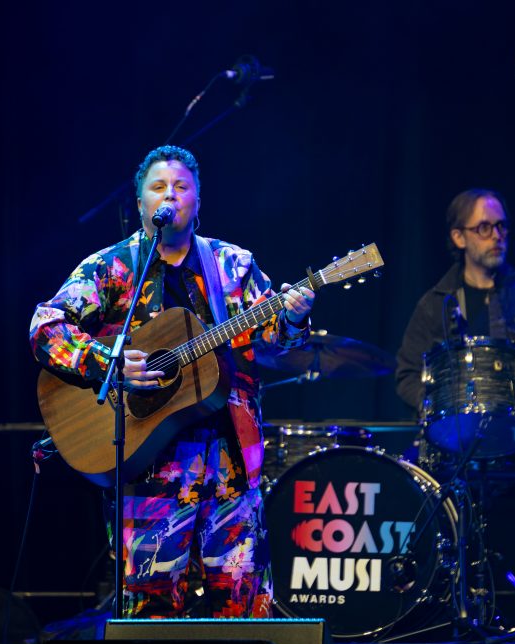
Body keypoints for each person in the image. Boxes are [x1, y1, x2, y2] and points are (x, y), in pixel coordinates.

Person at [29, 145, 314, 619]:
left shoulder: (233, 266)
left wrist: (294, 318)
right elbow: (45, 326)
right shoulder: (113, 268)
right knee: (150, 616)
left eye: (181, 187)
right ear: (140, 203)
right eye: (158, 187)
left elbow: (275, 338)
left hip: (230, 466)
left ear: (198, 202)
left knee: (243, 610)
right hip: (148, 470)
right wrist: (108, 363)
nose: (170, 195)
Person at [396, 188, 515, 411]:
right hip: (455, 438)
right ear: (459, 237)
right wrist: (436, 407)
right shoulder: (435, 304)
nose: (497, 236)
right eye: (484, 228)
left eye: (501, 226)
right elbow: (407, 374)